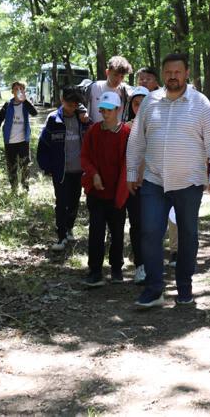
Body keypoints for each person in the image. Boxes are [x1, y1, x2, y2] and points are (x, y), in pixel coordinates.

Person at [126, 53, 210, 308]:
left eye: (177, 72)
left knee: (189, 235)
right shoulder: (151, 101)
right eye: (168, 72)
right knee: (149, 232)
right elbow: (137, 139)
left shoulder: (200, 103)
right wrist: (131, 172)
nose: (172, 76)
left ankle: (184, 287)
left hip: (189, 183)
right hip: (153, 180)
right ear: (163, 74)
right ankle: (154, 288)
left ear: (186, 73)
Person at [80, 91, 132, 287]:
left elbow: (129, 162)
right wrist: (93, 174)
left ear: (118, 110)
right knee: (96, 230)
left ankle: (117, 268)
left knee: (117, 231)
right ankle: (94, 270)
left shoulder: (125, 133)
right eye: (103, 110)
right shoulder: (94, 131)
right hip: (96, 192)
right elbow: (84, 157)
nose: (106, 114)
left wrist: (123, 188)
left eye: (110, 110)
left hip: (117, 193)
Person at [37, 87, 91, 251]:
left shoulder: (82, 119)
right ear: (62, 100)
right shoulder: (54, 119)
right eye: (69, 103)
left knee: (74, 202)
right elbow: (43, 144)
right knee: (61, 203)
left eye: (75, 104)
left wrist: (86, 119)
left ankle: (69, 228)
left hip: (78, 170)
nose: (71, 107)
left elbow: (93, 135)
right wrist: (47, 167)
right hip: (60, 171)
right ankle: (61, 236)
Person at [123, 85, 150, 283]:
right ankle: (140, 264)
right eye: (135, 103)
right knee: (136, 224)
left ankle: (152, 262)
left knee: (152, 225)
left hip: (154, 183)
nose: (139, 107)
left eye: (143, 103)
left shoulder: (159, 126)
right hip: (133, 184)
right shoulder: (125, 128)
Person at [0, 81, 39, 192]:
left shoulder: (26, 104)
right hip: (10, 142)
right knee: (12, 167)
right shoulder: (7, 105)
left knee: (25, 166)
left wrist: (25, 101)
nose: (18, 91)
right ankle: (14, 189)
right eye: (16, 89)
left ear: (24, 91)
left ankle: (25, 189)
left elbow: (35, 113)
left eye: (21, 89)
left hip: (23, 141)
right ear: (12, 91)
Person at [89, 56, 132, 124]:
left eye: (122, 76)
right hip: (95, 132)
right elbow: (78, 98)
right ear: (107, 72)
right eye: (115, 75)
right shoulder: (94, 87)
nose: (118, 79)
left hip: (116, 132)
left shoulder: (126, 91)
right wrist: (82, 111)